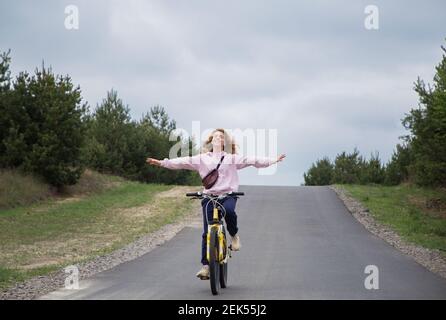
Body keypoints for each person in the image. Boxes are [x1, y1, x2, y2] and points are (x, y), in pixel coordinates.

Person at [146, 128, 285, 279]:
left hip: (228, 195)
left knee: (230, 212)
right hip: (209, 197)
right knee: (207, 232)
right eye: (215, 136)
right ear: (211, 141)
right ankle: (206, 267)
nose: (218, 138)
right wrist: (162, 163)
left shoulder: (232, 158)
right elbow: (181, 162)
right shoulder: (202, 159)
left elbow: (253, 160)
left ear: (225, 142)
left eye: (221, 137)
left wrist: (273, 160)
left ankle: (234, 236)